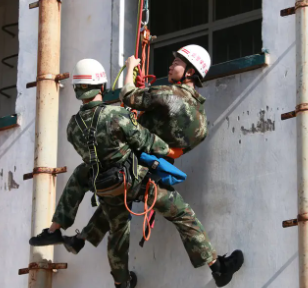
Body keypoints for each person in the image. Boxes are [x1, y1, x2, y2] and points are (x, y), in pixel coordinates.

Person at [63, 46, 244, 287]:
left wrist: (130, 68)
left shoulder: (167, 94)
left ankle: (107, 266)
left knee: (116, 214)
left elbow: (127, 95)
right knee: (182, 217)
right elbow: (178, 149)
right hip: (152, 178)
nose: (171, 65)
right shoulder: (200, 120)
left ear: (190, 72)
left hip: (127, 169)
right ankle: (217, 268)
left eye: (178, 62)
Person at [29, 58, 181, 287]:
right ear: (101, 87)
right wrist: (170, 149)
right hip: (130, 179)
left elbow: (98, 147)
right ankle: (83, 240)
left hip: (101, 184)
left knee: (83, 173)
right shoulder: (116, 116)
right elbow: (145, 141)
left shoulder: (73, 127)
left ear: (78, 90)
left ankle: (57, 230)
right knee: (122, 231)